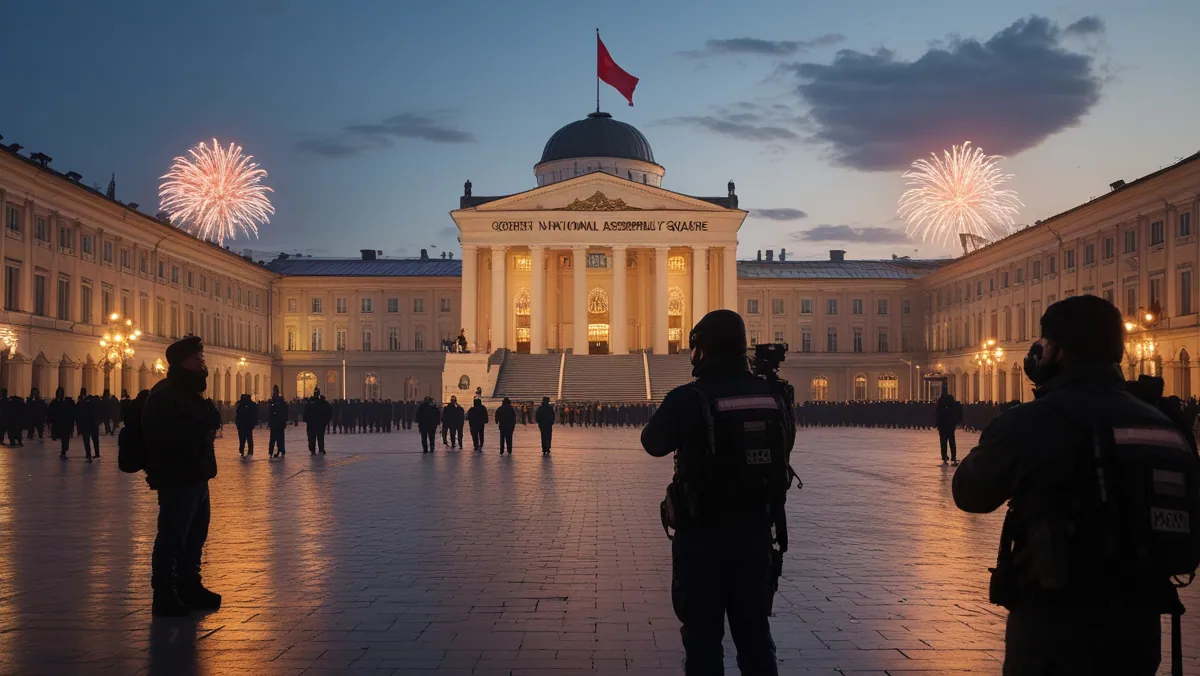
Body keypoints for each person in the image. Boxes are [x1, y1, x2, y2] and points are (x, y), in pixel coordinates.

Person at [953, 296, 1197, 675]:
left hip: (1053, 618)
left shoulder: (1032, 420)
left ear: (1057, 350)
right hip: (1138, 621)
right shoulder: (1162, 423)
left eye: (1045, 344)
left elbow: (971, 493)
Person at [641, 309, 795, 675]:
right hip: (756, 534)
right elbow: (785, 446)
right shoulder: (773, 396)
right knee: (755, 638)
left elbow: (652, 442)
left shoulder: (689, 397)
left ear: (704, 350)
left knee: (703, 641)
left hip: (702, 537)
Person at [142, 336, 222, 617]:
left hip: (197, 473)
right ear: (182, 362)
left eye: (202, 357)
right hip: (177, 475)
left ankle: (189, 585)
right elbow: (163, 435)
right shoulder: (166, 394)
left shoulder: (188, 392)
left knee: (196, 534)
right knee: (173, 536)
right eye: (197, 358)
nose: (202, 362)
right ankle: (164, 592)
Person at [935, 392, 962, 465]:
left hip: (942, 427)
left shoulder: (940, 406)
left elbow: (938, 416)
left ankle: (944, 456)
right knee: (952, 442)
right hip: (950, 427)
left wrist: (938, 425)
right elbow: (956, 416)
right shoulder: (953, 407)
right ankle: (953, 456)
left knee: (943, 443)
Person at [48, 387, 76, 459]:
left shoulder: (66, 401)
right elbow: (50, 412)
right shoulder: (54, 402)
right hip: (58, 423)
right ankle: (63, 452)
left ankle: (64, 451)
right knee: (64, 438)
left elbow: (70, 411)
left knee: (65, 438)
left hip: (65, 423)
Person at [304, 388, 332, 455]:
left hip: (314, 423)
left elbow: (306, 412)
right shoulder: (322, 402)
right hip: (317, 423)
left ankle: (315, 449)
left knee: (314, 437)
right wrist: (326, 421)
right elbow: (329, 412)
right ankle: (318, 449)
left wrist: (307, 420)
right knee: (318, 437)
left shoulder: (311, 402)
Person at [76, 389, 101, 461]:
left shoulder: (80, 403)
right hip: (93, 423)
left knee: (86, 440)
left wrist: (79, 427)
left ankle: (88, 454)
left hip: (85, 424)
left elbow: (78, 416)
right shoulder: (93, 401)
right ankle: (97, 453)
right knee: (95, 439)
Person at [267, 385, 287, 457]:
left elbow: (284, 412)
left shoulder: (279, 401)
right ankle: (275, 451)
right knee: (276, 438)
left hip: (278, 423)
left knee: (277, 439)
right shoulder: (275, 401)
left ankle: (279, 451)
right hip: (277, 423)